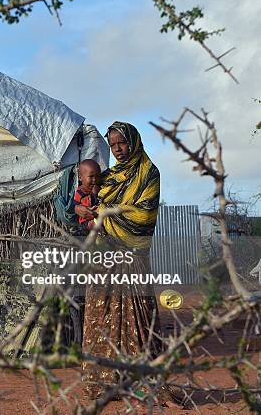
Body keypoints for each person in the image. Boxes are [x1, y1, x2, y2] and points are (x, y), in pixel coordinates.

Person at [76, 121, 178, 407]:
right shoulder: (105, 178)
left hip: (133, 259)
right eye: (113, 145)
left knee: (141, 322)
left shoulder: (148, 174)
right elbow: (84, 203)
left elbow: (143, 218)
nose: (118, 150)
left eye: (121, 143)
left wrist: (101, 215)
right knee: (100, 321)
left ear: (133, 141)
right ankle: (103, 385)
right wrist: (84, 210)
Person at [73, 159, 101, 233]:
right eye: (91, 176)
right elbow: (89, 205)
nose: (94, 180)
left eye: (97, 176)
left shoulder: (98, 187)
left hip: (95, 217)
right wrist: (94, 194)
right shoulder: (80, 192)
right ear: (80, 178)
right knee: (93, 224)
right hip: (85, 222)